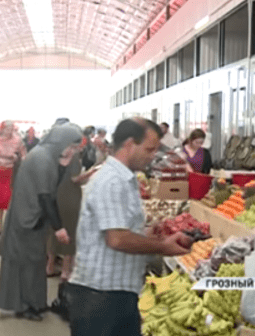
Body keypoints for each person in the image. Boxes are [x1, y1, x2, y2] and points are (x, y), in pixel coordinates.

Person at [68, 118, 192, 336]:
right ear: (128, 145)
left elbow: (116, 230)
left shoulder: (125, 179)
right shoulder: (112, 181)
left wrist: (145, 233)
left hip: (116, 293)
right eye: (149, 149)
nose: (153, 155)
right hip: (101, 298)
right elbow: (116, 239)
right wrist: (162, 246)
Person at [0, 123, 82, 321]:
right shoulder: (43, 159)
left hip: (31, 217)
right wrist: (59, 227)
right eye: (71, 146)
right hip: (27, 219)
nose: (72, 151)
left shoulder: (47, 155)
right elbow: (45, 197)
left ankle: (34, 303)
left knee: (34, 264)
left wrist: (64, 164)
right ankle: (26, 306)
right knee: (27, 264)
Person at [46, 147, 99, 281]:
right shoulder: (73, 157)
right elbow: (75, 179)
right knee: (70, 232)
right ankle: (65, 271)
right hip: (70, 197)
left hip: (55, 195)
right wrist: (91, 172)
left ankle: (49, 266)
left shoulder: (54, 154)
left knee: (53, 231)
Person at [0, 120, 27, 236]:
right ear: (2, 128)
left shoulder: (18, 139)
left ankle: (9, 226)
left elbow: (24, 155)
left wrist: (18, 159)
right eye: (6, 128)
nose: (9, 130)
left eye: (11, 128)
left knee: (9, 200)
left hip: (11, 172)